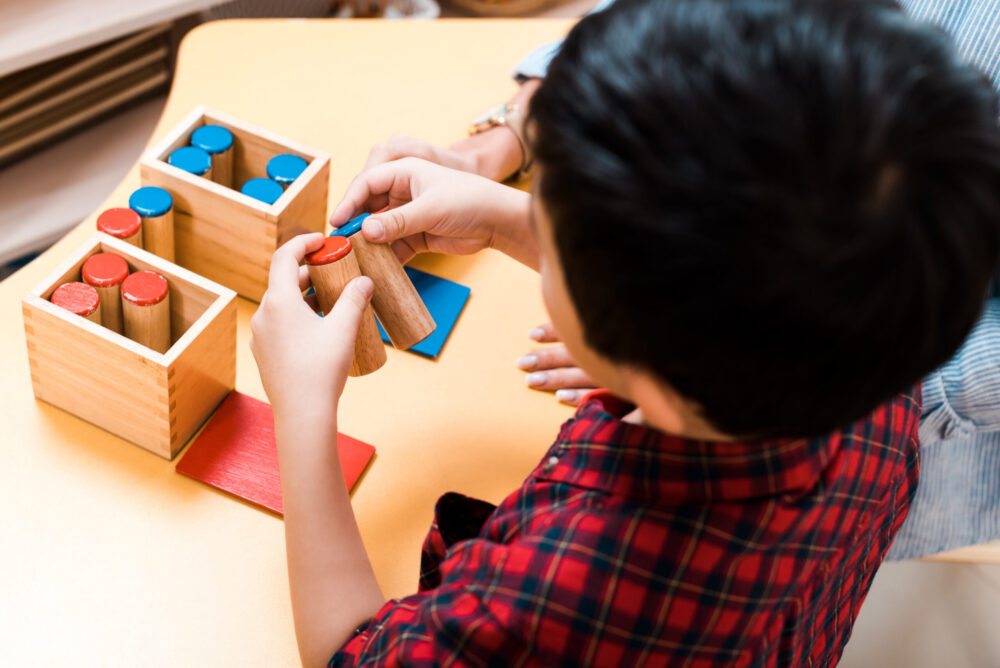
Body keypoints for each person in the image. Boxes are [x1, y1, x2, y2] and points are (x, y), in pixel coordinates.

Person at [249, 0, 1000, 665]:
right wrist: (508, 218)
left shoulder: (567, 591)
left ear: (635, 339)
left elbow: (352, 653)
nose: (531, 212)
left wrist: (304, 414)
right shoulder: (874, 390)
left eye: (548, 216)